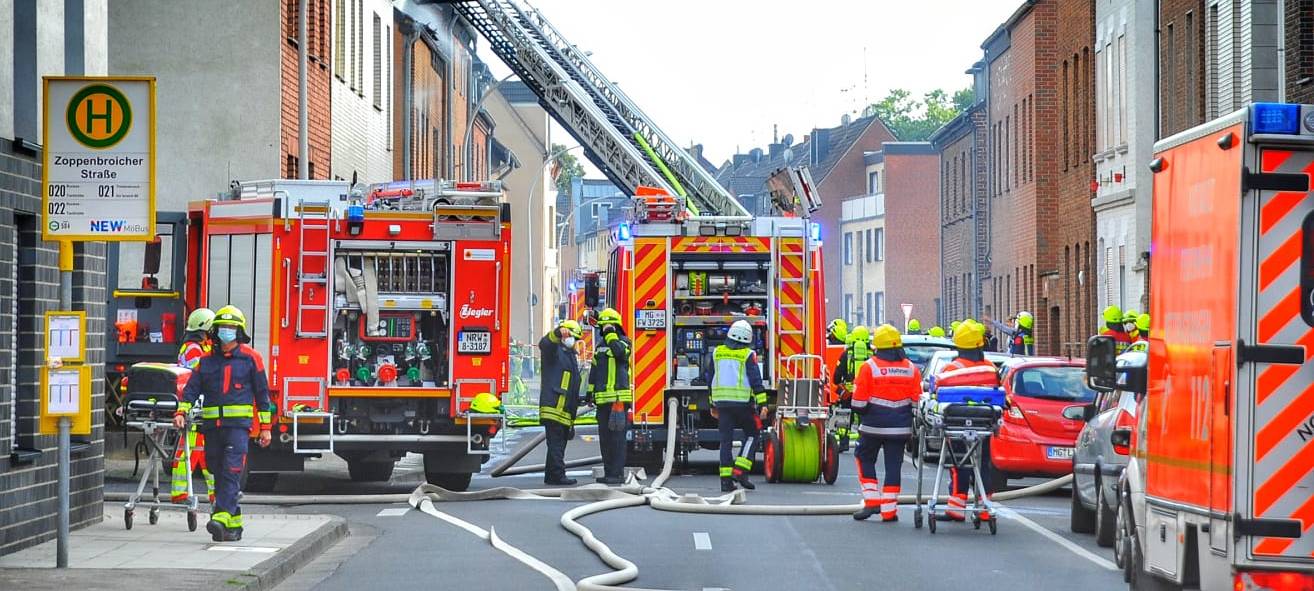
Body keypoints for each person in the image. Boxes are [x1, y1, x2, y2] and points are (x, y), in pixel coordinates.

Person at [174, 306, 271, 542]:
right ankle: (233, 527)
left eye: (231, 328)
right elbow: (191, 389)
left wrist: (265, 428)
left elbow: (262, 394)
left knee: (231, 471)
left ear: (239, 332)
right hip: (212, 427)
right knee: (217, 471)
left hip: (238, 428)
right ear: (214, 332)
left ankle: (220, 517)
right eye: (222, 328)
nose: (226, 333)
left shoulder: (251, 359)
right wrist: (181, 411)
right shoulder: (205, 361)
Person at [851, 324, 922, 522]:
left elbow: (858, 403)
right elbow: (917, 404)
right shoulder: (911, 369)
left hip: (872, 426)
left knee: (863, 457)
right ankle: (889, 512)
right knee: (893, 467)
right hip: (900, 429)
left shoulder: (869, 367)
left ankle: (872, 503)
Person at [934, 320, 999, 522]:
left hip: (957, 423)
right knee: (983, 464)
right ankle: (985, 508)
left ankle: (956, 508)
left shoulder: (950, 369)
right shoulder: (990, 368)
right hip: (985, 426)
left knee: (959, 463)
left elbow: (937, 392)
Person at [705, 320, 768, 492]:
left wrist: (712, 404)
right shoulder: (748, 355)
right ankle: (740, 471)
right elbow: (756, 381)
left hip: (722, 405)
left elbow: (710, 380)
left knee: (725, 441)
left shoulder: (717, 353)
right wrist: (763, 404)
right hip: (743, 405)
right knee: (753, 434)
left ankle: (726, 482)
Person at [172, 308, 216, 504]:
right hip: (194, 407)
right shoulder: (193, 349)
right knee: (192, 451)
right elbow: (202, 376)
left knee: (204, 451)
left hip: (197, 406)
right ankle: (180, 493)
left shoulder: (196, 347)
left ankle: (214, 493)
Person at [587, 308, 632, 485]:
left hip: (617, 400)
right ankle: (608, 472)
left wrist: (612, 334)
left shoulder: (623, 342)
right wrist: (590, 393)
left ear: (614, 326)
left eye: (607, 326)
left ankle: (617, 474)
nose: (604, 330)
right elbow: (594, 371)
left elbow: (620, 354)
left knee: (617, 439)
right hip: (602, 402)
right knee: (605, 440)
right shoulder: (600, 346)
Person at [539, 319, 584, 485]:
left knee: (558, 444)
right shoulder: (554, 351)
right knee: (556, 444)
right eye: (574, 338)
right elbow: (544, 344)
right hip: (554, 408)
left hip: (564, 410)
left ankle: (551, 475)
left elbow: (572, 384)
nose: (576, 343)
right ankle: (557, 475)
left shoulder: (570, 356)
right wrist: (557, 333)